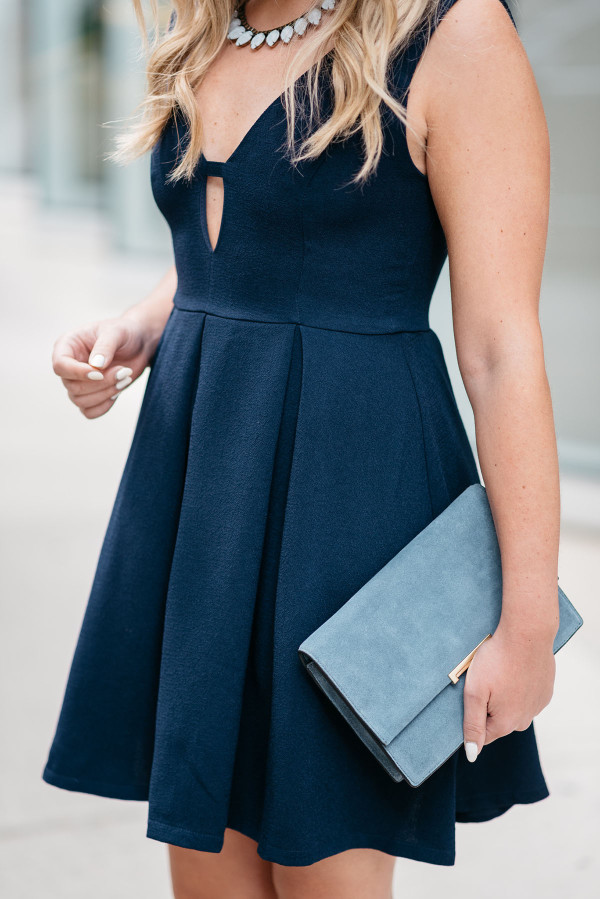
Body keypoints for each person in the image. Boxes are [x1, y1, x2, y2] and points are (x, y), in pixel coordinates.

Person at [44, 1, 560, 896]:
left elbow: (501, 349)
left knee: (324, 869)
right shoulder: (215, 25)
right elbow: (245, 235)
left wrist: (526, 623)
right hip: (202, 490)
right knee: (210, 869)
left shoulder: (453, 32)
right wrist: (145, 322)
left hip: (349, 501)